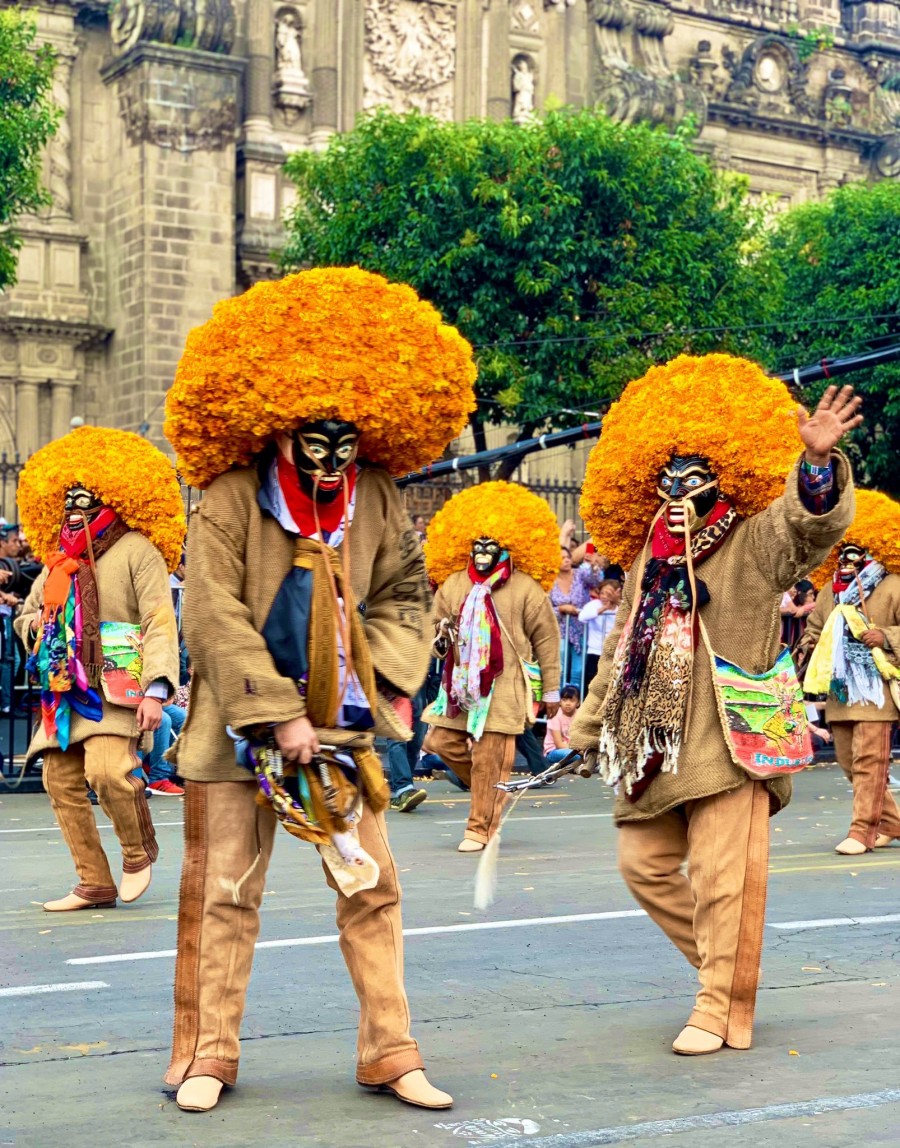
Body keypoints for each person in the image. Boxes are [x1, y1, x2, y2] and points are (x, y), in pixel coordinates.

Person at [162, 267, 476, 1114]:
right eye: (315, 434)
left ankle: (392, 1052)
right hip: (235, 738)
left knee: (370, 885)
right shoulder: (228, 497)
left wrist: (365, 689)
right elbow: (212, 615)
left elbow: (408, 595)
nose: (332, 453)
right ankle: (206, 1056)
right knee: (224, 894)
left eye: (347, 435)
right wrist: (277, 712)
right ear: (280, 423)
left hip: (342, 736)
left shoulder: (375, 494)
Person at [568, 354, 858, 1057]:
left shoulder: (754, 537)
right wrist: (586, 723)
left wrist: (817, 467)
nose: (676, 488)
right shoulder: (647, 556)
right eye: (666, 475)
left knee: (726, 882)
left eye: (692, 475)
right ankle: (725, 976)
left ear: (724, 474)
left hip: (734, 737)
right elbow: (619, 650)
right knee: (641, 863)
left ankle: (717, 1004)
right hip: (654, 744)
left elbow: (808, 528)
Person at [14, 427, 183, 911]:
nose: (73, 508)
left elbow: (157, 620)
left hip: (115, 687)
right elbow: (28, 616)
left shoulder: (138, 550)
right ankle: (94, 882)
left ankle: (137, 851)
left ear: (111, 498)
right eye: (66, 499)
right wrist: (49, 626)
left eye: (84, 498)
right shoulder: (55, 562)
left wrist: (156, 688)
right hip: (63, 689)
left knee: (110, 772)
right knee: (59, 782)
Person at [421, 481, 561, 853]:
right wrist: (441, 639)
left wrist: (551, 691)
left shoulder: (527, 589)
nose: (481, 553)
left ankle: (479, 828)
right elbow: (434, 631)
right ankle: (489, 791)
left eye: (490, 546)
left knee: (489, 756)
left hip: (505, 686)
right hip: (460, 686)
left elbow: (547, 640)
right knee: (439, 741)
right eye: (476, 546)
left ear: (506, 548)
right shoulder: (452, 584)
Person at [800, 490, 900, 855]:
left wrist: (886, 636)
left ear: (874, 548)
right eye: (842, 548)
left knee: (870, 761)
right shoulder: (830, 592)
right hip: (840, 692)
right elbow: (812, 630)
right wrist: (808, 648)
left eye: (855, 548)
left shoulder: (894, 586)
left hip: (878, 693)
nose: (846, 557)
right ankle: (890, 822)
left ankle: (863, 832)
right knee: (847, 761)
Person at [550, 545, 589, 687]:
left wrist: (592, 565)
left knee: (578, 671)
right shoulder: (550, 580)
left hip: (580, 629)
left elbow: (596, 581)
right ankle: (557, 703)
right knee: (559, 668)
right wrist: (561, 609)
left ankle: (574, 702)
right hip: (558, 630)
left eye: (568, 557)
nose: (566, 560)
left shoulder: (580, 574)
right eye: (562, 558)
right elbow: (545, 609)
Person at [578, 579, 622, 686]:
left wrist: (616, 602)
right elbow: (582, 617)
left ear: (617, 592)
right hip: (595, 651)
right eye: (602, 593)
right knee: (592, 682)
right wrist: (602, 609)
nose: (604, 596)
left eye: (608, 593)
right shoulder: (594, 604)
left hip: (615, 652)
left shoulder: (621, 607)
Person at [543, 686, 580, 764]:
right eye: (564, 700)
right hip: (554, 751)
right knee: (575, 756)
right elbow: (559, 745)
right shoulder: (555, 715)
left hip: (575, 749)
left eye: (572, 700)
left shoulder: (580, 715)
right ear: (559, 702)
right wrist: (580, 751)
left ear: (578, 703)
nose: (568, 703)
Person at [780, 579, 816, 651]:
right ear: (801, 594)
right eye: (810, 594)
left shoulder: (809, 608)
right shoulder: (789, 605)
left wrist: (804, 608)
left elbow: (818, 604)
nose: (813, 597)